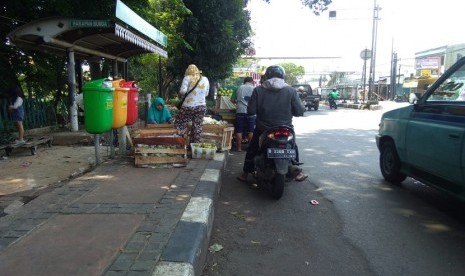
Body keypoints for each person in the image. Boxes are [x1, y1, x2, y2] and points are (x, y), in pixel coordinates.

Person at [237, 65, 308, 182]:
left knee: (253, 147)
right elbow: (299, 111)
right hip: (286, 128)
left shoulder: (258, 90)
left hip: (263, 128)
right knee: (293, 145)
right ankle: (298, 172)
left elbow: (251, 111)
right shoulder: (291, 90)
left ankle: (245, 173)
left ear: (267, 76)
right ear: (283, 76)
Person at [174, 64, 210, 144]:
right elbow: (206, 93)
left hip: (188, 106)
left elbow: (183, 91)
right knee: (197, 126)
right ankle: (194, 146)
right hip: (201, 106)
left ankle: (180, 143)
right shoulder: (205, 79)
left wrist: (182, 94)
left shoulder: (187, 78)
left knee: (180, 123)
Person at [232, 76, 256, 151]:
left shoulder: (238, 88)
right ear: (252, 82)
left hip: (240, 111)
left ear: (244, 82)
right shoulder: (254, 89)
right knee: (251, 131)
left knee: (239, 130)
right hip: (250, 112)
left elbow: (232, 100)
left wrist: (239, 102)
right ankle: (250, 148)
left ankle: (239, 148)